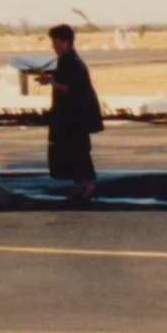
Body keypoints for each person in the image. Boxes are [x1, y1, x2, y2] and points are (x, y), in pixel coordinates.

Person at [45, 22, 103, 204]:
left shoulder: (70, 62)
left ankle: (87, 185)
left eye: (57, 42)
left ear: (67, 41)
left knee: (78, 151)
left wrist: (51, 82)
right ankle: (81, 185)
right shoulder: (69, 60)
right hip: (74, 115)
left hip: (75, 116)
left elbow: (70, 88)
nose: (54, 46)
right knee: (75, 151)